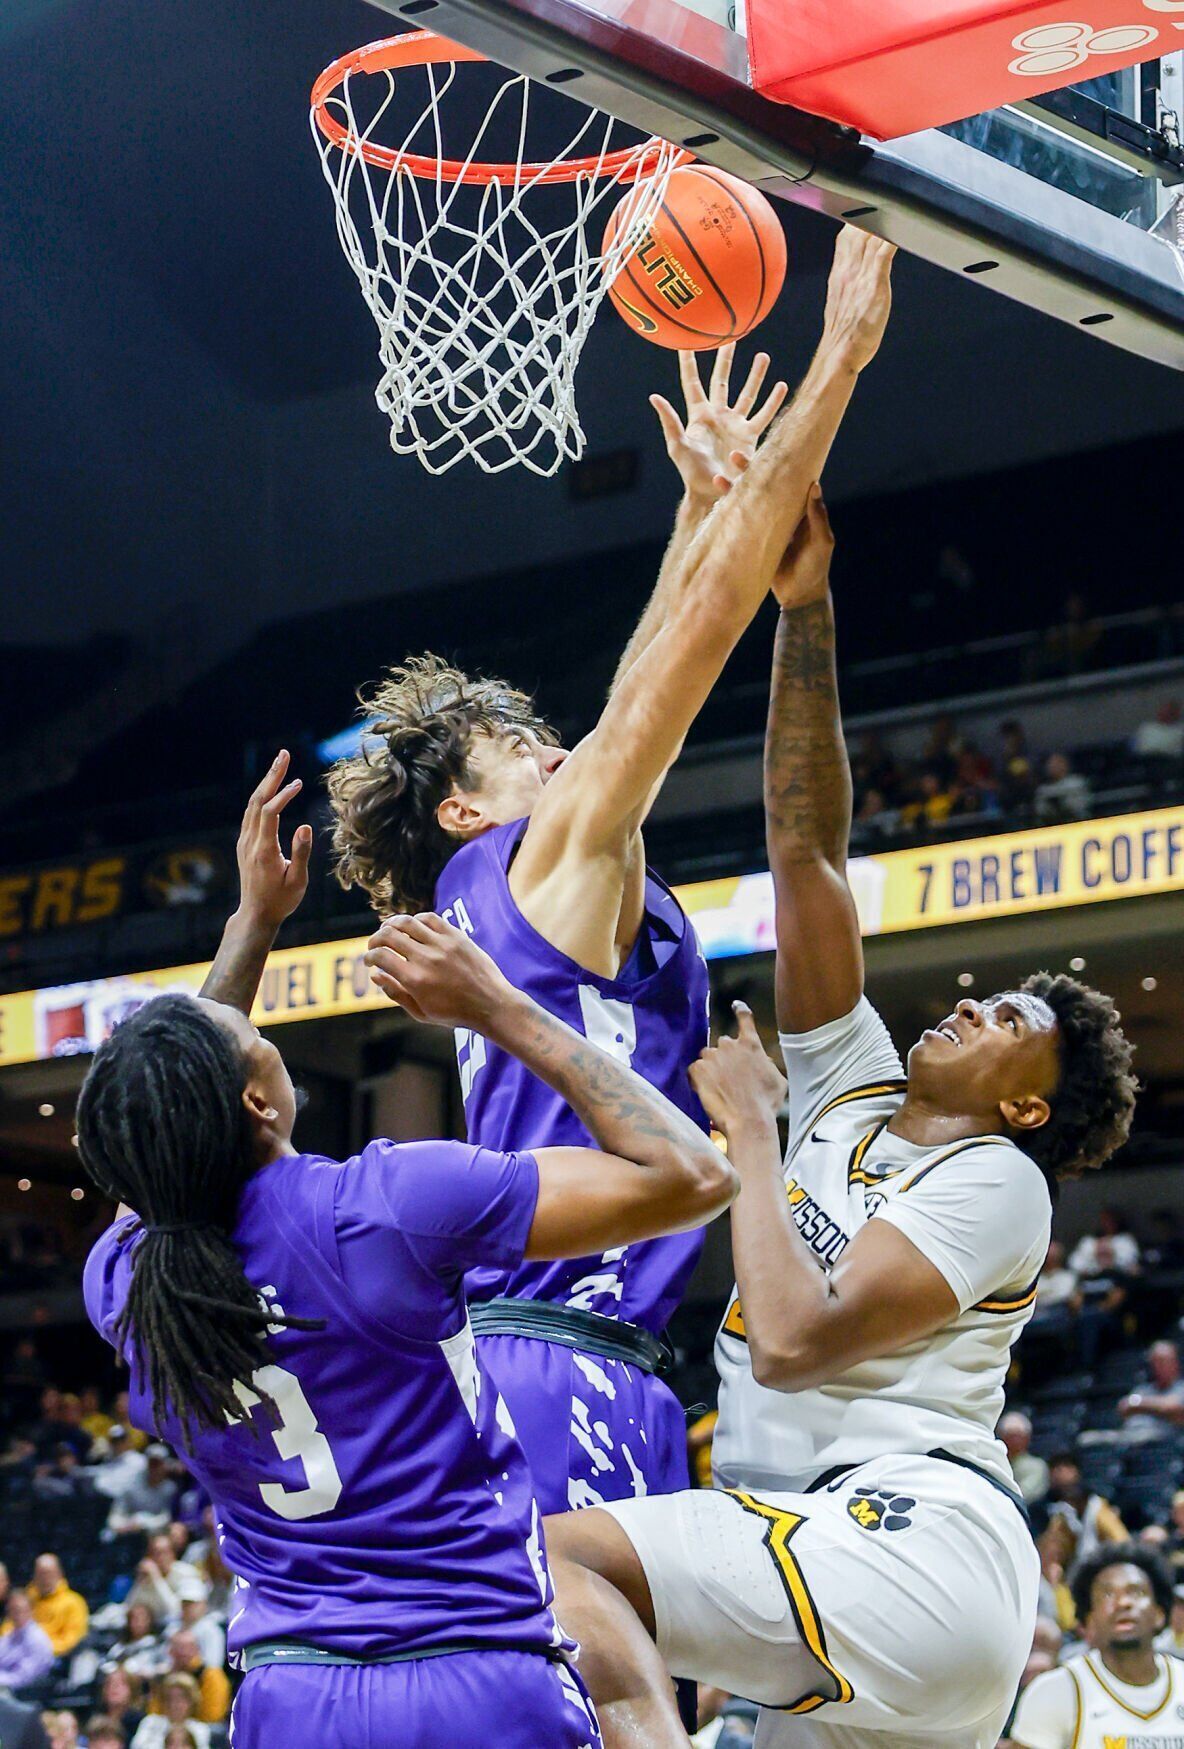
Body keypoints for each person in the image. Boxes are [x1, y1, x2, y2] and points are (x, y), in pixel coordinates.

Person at [545, 456, 1138, 1749]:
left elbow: (799, 1340)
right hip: (835, 1602)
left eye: (1012, 1025)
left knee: (551, 1560)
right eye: (987, 997)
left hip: (907, 1538)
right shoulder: (853, 1077)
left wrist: (750, 1134)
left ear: (1030, 1109)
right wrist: (803, 609)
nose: (976, 1006)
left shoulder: (998, 1184)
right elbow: (808, 850)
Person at [330, 227, 894, 1520]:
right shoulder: (531, 860)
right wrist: (839, 362)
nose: (552, 746)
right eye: (515, 744)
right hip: (556, 1360)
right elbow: (682, 665)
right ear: (468, 806)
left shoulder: (521, 887)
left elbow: (636, 691)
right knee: (610, 1713)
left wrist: (698, 514)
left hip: (574, 1359)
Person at [79, 757, 735, 1749]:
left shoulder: (124, 1282)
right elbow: (691, 1174)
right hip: (475, 1675)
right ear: (258, 1101)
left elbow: (158, 1133)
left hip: (291, 1701)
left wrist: (253, 924)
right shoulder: (376, 1207)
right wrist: (497, 1007)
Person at [1008, 1544, 1178, 1746]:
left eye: (1136, 1592)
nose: (1123, 1602)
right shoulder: (1054, 1691)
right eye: (1107, 1594)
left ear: (1159, 1614)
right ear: (1088, 1621)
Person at [1046, 1452, 1128, 1567]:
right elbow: (1050, 1551)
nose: (1060, 1472)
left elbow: (1121, 1542)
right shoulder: (1049, 1508)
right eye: (1055, 1468)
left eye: (1066, 1466)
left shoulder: (1097, 1507)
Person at [145, 1635, 228, 1725]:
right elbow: (154, 1712)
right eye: (178, 1649)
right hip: (166, 1726)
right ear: (170, 1652)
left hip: (203, 1727)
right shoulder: (163, 1677)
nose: (183, 1653)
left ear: (197, 1650)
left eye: (188, 1648)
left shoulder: (211, 1675)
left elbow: (213, 1716)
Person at [1118, 1340, 1184, 1443]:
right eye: (1155, 1361)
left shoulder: (1181, 1388)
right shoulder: (1143, 1389)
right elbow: (1124, 1406)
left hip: (1164, 1448)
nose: (1158, 1366)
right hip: (1131, 1443)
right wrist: (1157, 1407)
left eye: (1163, 1361)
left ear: (1175, 1363)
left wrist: (1139, 1405)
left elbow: (1173, 1407)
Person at [26, 1558, 87, 1660]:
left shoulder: (74, 1602)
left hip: (53, 1658)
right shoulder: (26, 1598)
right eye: (40, 1573)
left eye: (48, 1573)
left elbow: (72, 1640)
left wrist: (41, 1649)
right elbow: (9, 1627)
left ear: (59, 1574)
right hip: (20, 1653)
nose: (44, 1578)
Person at [107, 1450, 175, 1539]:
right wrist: (124, 1525)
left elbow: (168, 1518)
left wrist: (144, 1522)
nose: (154, 1469)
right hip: (130, 1532)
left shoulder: (170, 1488)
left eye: (158, 1464)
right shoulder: (131, 1485)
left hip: (156, 1534)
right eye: (151, 1464)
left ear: (165, 1466)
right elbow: (116, 1515)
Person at [129, 1676, 209, 1749]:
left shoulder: (200, 1729)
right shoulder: (150, 1722)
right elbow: (136, 1746)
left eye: (180, 1698)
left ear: (192, 1701)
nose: (174, 1704)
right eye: (169, 1698)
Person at [99, 1603, 169, 1684]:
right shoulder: (120, 1648)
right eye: (135, 1619)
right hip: (124, 1684)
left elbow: (166, 1666)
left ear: (150, 1621)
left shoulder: (158, 1645)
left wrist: (151, 1672)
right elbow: (107, 1665)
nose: (139, 1623)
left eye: (143, 1619)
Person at [0, 1590, 56, 1692]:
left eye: (20, 1610)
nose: (17, 1614)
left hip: (27, 1694)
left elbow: (22, 1678)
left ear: (31, 1611)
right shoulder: (9, 1637)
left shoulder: (37, 1639)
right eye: (12, 1610)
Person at [999, 1412, 1050, 1505]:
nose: (1014, 1441)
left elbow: (1024, 1494)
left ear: (1027, 1438)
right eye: (1010, 1436)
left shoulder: (1037, 1466)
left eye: (1019, 1436)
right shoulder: (995, 1462)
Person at [1035, 752, 1092, 824]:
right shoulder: (1043, 790)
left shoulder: (1077, 782)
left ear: (1065, 765)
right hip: (1052, 825)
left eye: (1057, 764)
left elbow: (1084, 803)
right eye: (1051, 764)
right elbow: (1040, 810)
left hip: (1079, 822)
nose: (1053, 767)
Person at [96, 1668, 145, 1741]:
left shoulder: (140, 1722)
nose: (114, 1687)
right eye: (109, 1683)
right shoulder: (95, 1718)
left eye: (122, 1683)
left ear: (132, 1690)